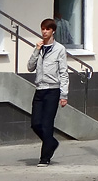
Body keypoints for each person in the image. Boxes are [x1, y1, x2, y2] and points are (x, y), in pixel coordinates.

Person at [27, 18, 68, 166]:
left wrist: (64, 95)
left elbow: (64, 73)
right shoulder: (39, 47)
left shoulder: (59, 49)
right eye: (43, 29)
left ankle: (44, 158)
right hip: (39, 90)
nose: (44, 32)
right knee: (35, 123)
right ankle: (52, 142)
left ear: (53, 31)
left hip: (53, 90)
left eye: (47, 29)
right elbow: (30, 67)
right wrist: (36, 50)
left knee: (47, 124)